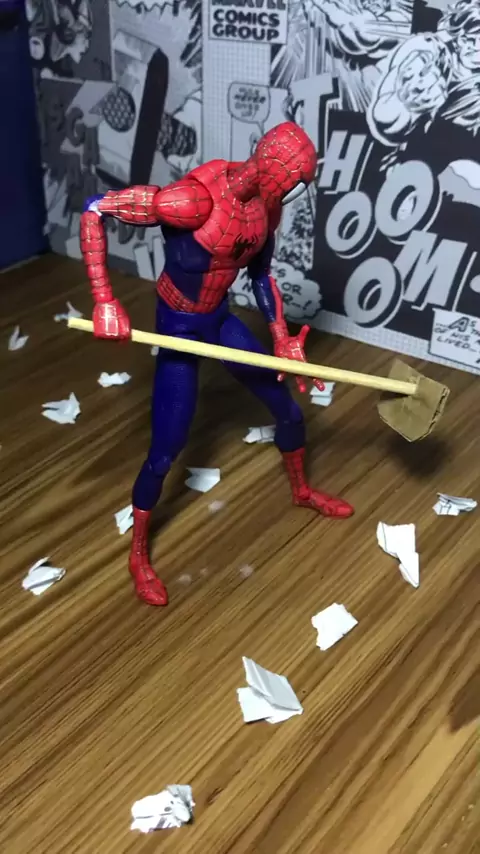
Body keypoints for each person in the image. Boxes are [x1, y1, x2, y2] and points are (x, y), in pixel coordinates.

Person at [80, 122, 354, 607]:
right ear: (273, 167)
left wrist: (281, 338)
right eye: (296, 181)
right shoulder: (191, 201)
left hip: (220, 321)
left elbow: (261, 276)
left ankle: (301, 490)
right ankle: (138, 554)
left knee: (288, 409)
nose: (297, 194)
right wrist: (104, 299)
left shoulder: (266, 209)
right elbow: (95, 209)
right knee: (166, 449)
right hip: (178, 329)